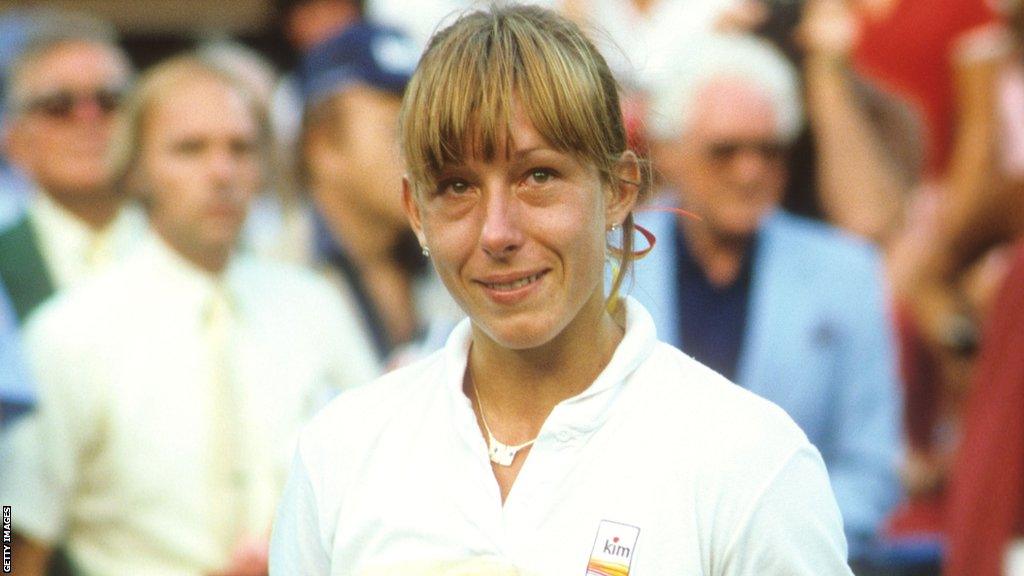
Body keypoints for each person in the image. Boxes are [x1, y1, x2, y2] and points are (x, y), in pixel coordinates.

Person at [269, 5, 853, 574]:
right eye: (456, 186)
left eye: (538, 176)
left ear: (621, 190)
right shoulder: (342, 453)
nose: (498, 232)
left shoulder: (747, 461)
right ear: (416, 212)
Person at [0, 54, 379, 576]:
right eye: (190, 149)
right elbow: (13, 535)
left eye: (241, 148)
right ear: (135, 168)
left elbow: (378, 477)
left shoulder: (315, 305)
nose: (221, 172)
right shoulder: (69, 333)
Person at [636, 33, 901, 564]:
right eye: (724, 151)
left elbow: (871, 471)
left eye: (769, 150)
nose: (750, 170)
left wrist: (766, 533)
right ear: (669, 151)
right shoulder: (604, 263)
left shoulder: (844, 274)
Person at [299, 21, 460, 364]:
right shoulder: (271, 272)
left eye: (427, 132)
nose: (425, 155)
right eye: (397, 132)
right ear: (322, 146)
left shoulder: (452, 252)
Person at [0, 11, 144, 324]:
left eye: (109, 100)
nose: (88, 120)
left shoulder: (186, 246)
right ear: (14, 141)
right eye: (58, 106)